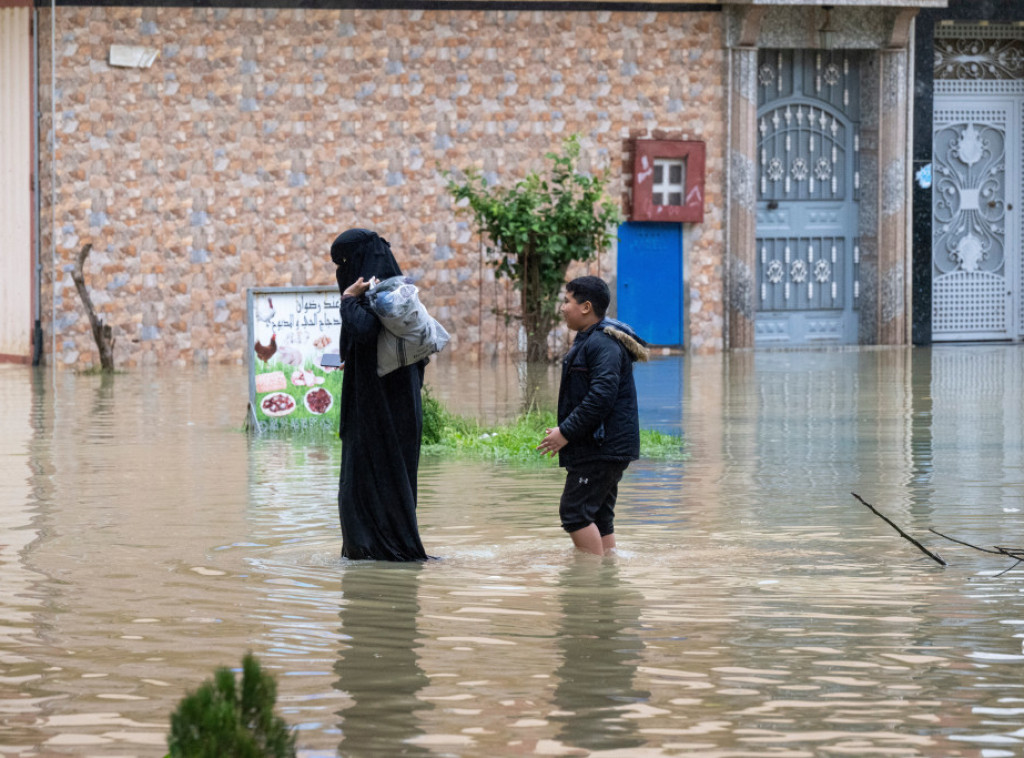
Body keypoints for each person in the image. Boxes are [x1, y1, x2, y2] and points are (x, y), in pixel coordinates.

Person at [331, 228, 428, 561]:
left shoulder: (385, 294)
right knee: (383, 482)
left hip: (381, 413)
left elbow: (364, 329)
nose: (339, 271)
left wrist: (346, 299)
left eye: (343, 262)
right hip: (392, 408)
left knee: (367, 485)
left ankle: (379, 554)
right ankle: (380, 553)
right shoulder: (395, 292)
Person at [537, 276, 648, 556]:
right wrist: (568, 427)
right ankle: (606, 582)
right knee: (598, 515)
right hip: (602, 445)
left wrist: (566, 432)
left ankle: (588, 589)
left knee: (574, 513)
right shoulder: (592, 340)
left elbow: (601, 397)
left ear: (586, 307)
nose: (562, 308)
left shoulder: (602, 344)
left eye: (567, 301)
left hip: (602, 448)